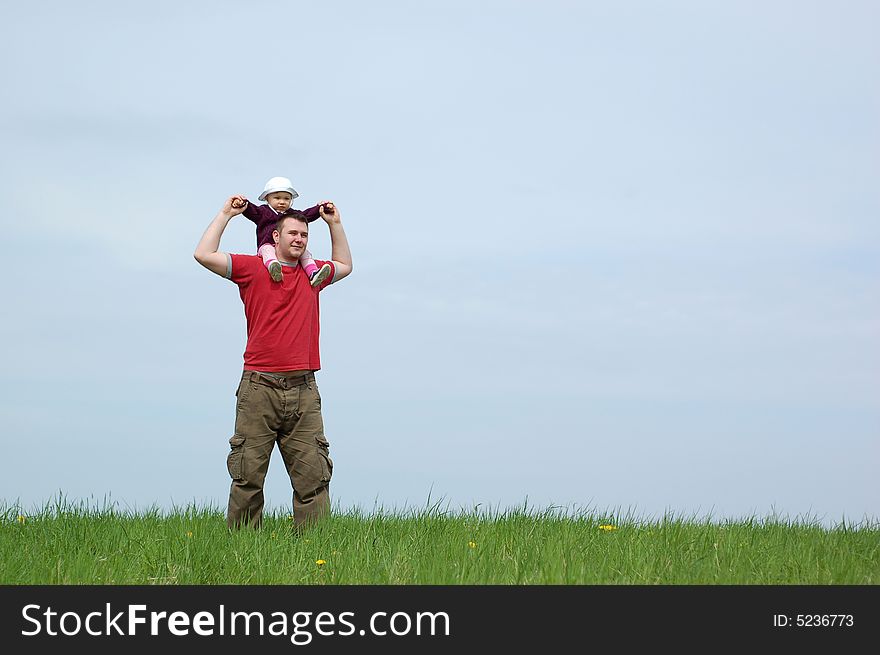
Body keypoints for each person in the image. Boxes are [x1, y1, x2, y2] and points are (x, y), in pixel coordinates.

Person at [193, 195, 353, 530]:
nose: (299, 239)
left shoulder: (315, 275)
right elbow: (203, 254)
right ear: (275, 237)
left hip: (304, 390)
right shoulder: (252, 269)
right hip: (259, 387)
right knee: (247, 476)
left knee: (313, 478)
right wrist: (225, 215)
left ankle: (314, 551)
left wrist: (334, 224)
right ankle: (243, 550)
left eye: (304, 235)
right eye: (293, 233)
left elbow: (346, 265)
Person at [235, 176, 333, 287]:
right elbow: (251, 210)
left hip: (286, 248)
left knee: (305, 253)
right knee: (268, 249)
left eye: (286, 199)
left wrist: (322, 207)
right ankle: (274, 267)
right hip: (266, 246)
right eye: (277, 198)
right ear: (267, 198)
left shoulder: (293, 215)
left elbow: (308, 214)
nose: (282, 202)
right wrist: (243, 203)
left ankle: (313, 273)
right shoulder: (262, 212)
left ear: (291, 200)